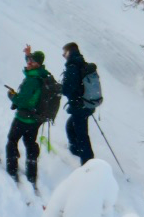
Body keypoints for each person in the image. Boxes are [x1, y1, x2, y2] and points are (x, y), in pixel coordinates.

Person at [5, 45, 51, 188]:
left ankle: (12, 170)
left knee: (12, 140)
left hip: (23, 118)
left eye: (32, 61)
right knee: (30, 143)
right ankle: (32, 173)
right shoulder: (43, 75)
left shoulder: (31, 80)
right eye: (28, 61)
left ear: (38, 64)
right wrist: (28, 54)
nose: (29, 63)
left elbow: (22, 101)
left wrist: (12, 96)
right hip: (35, 119)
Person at [61, 41, 94, 165]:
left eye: (64, 53)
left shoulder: (73, 66)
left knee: (81, 134)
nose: (63, 56)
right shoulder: (82, 63)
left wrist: (61, 88)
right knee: (71, 127)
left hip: (79, 105)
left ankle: (87, 162)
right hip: (87, 103)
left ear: (69, 52)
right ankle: (77, 150)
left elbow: (68, 88)